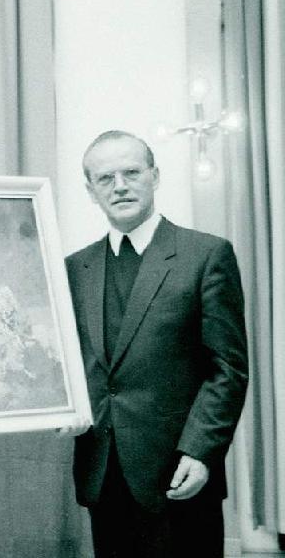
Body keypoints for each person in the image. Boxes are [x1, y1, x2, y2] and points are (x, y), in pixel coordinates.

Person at [64, 130, 248, 557]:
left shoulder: (206, 255)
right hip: (102, 473)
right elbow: (71, 366)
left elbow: (228, 369)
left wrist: (201, 452)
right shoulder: (74, 269)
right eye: (105, 178)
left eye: (132, 172)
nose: (120, 185)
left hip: (180, 474)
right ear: (91, 191)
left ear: (155, 176)